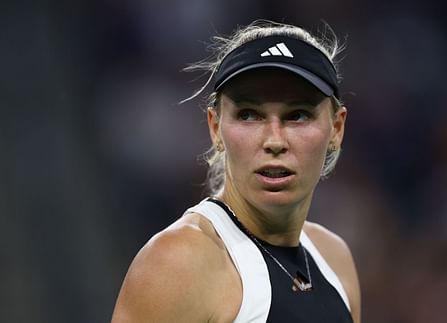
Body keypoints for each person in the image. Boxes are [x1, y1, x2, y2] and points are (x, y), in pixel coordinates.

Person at [111, 20, 361, 323]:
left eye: (297, 115)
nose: (274, 140)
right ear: (215, 128)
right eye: (249, 115)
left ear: (336, 128)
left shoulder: (335, 259)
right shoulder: (177, 263)